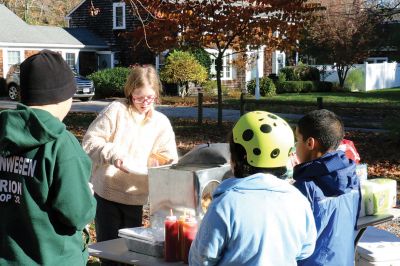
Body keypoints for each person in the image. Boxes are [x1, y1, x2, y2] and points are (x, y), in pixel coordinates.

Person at [0, 50, 96, 265]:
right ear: (62, 96)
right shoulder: (62, 144)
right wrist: (87, 197)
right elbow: (77, 214)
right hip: (52, 257)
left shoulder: (2, 132)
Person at [189, 111, 317, 265]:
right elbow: (306, 250)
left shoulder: (225, 204)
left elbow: (201, 259)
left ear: (239, 156)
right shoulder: (298, 200)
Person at [82, 65, 178, 245]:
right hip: (107, 193)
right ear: (130, 92)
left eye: (149, 98)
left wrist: (161, 163)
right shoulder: (116, 110)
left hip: (136, 195)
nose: (144, 103)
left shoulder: (160, 123)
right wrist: (112, 154)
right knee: (109, 249)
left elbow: (170, 157)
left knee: (129, 249)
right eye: (138, 97)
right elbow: (90, 142)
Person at [293, 109, 360, 266]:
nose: (295, 146)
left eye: (297, 139)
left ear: (310, 143)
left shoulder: (304, 187)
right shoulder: (352, 176)